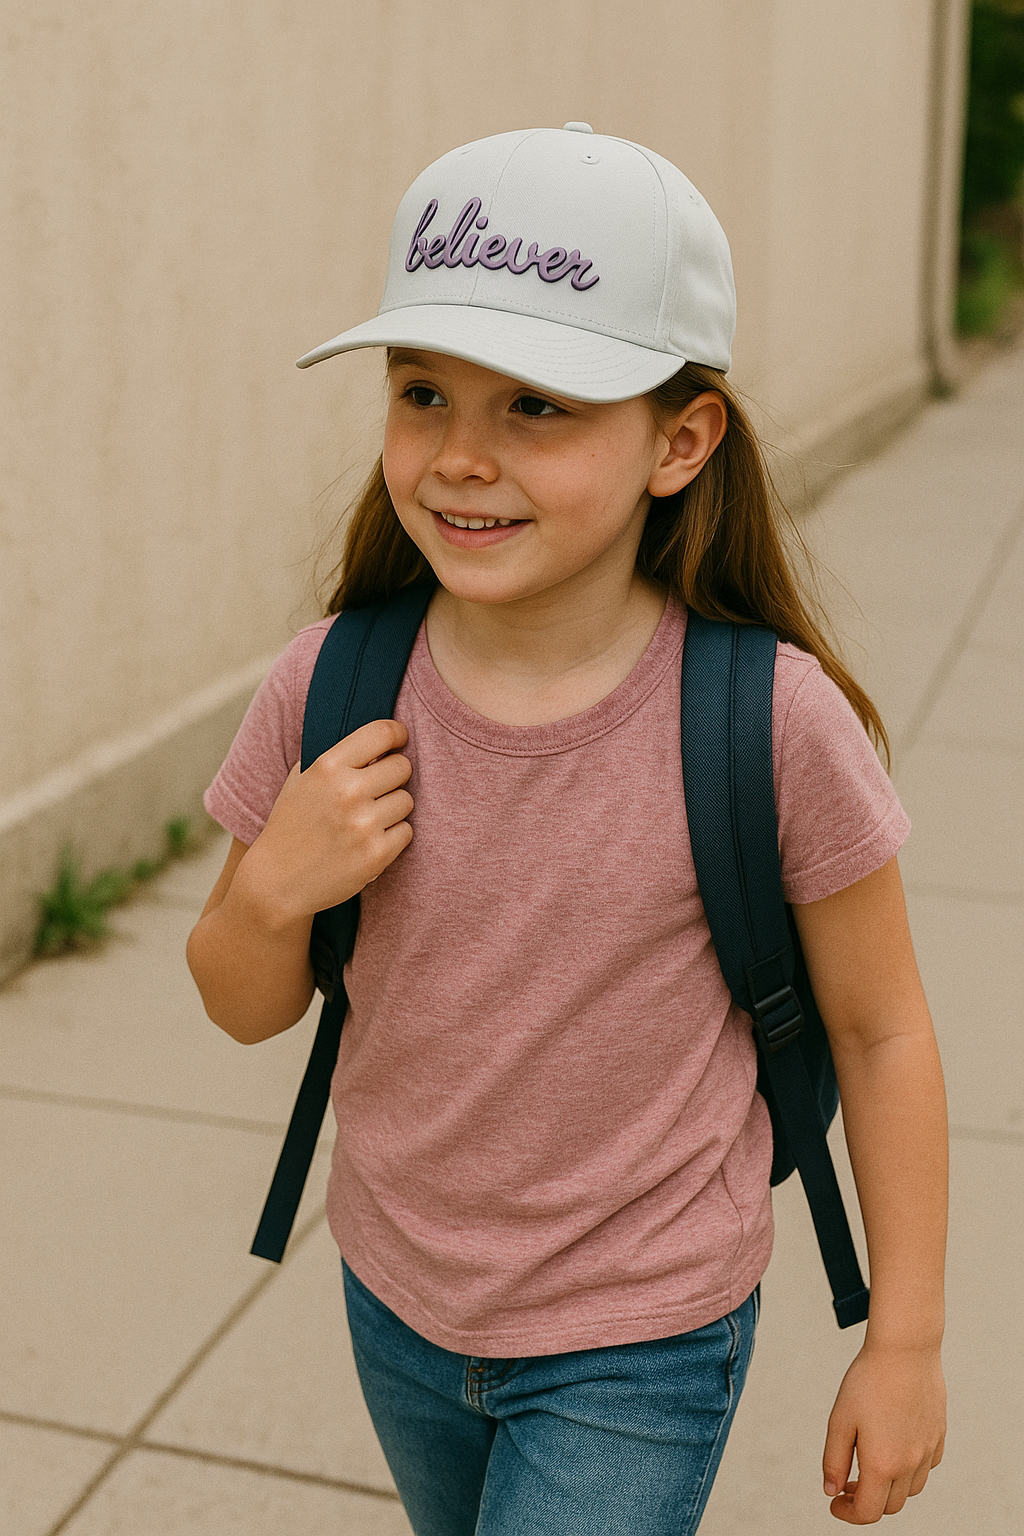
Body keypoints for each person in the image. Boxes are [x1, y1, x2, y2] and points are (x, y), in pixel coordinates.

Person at [186, 125, 947, 1534]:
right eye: (423, 393)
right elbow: (242, 1005)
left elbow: (883, 1028)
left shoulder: (768, 722)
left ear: (681, 441)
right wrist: (270, 891)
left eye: (537, 404)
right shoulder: (332, 682)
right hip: (396, 1291)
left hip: (641, 1334)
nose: (461, 457)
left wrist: (903, 1341)